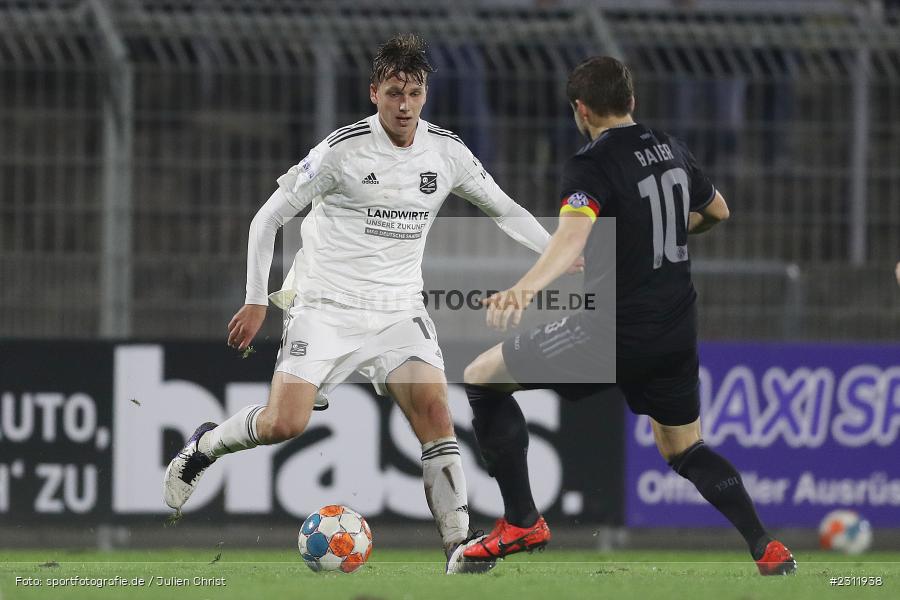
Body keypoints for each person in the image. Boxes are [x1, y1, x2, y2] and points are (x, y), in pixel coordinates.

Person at [162, 33, 553, 574]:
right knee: (284, 425)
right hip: (325, 304)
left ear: (425, 95)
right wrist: (257, 302)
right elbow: (267, 218)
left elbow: (507, 211)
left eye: (414, 92)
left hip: (398, 310)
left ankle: (458, 548)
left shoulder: (447, 154)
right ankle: (206, 446)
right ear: (374, 93)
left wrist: (559, 252)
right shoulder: (341, 151)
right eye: (394, 92)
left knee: (437, 413)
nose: (405, 104)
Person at [460, 56, 798, 576]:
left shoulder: (589, 164)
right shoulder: (671, 147)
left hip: (612, 330)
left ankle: (523, 521)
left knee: (482, 378)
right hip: (675, 328)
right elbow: (718, 211)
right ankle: (765, 547)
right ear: (631, 101)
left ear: (581, 109)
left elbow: (572, 235)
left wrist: (524, 290)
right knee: (684, 447)